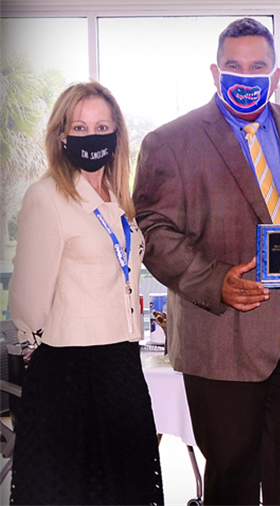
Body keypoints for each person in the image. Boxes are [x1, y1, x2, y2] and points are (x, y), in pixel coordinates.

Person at [132, 18, 280, 506]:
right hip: (224, 339)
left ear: (276, 75)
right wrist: (215, 283)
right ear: (215, 72)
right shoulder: (170, 142)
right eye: (234, 66)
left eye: (257, 66)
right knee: (232, 479)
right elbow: (153, 231)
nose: (245, 76)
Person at [9, 82, 163, 505]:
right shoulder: (47, 197)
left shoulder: (117, 198)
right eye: (79, 126)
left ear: (116, 135)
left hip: (121, 364)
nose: (90, 135)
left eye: (101, 125)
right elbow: (27, 296)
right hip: (69, 371)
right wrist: (31, 346)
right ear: (62, 136)